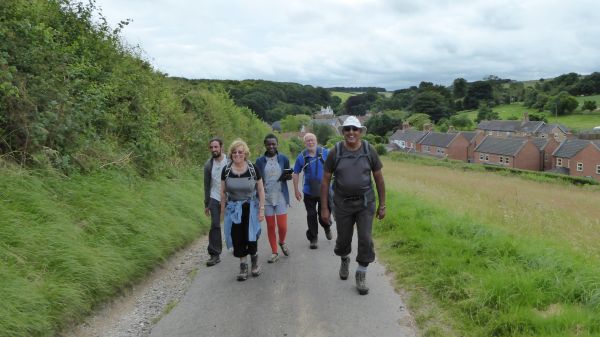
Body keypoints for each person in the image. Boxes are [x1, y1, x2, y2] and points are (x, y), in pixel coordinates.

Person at [320, 116, 386, 295]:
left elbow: (379, 178)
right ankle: (344, 259)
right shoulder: (336, 152)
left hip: (365, 202)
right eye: (347, 129)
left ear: (360, 131)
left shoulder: (368, 150)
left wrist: (382, 204)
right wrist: (324, 208)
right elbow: (325, 181)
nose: (351, 132)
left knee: (365, 238)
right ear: (343, 132)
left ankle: (361, 273)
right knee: (343, 240)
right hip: (342, 204)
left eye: (354, 129)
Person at [220, 139, 266, 281]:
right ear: (231, 154)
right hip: (234, 209)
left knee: (251, 236)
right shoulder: (226, 170)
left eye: (240, 152)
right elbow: (222, 192)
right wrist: (223, 211)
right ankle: (243, 266)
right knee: (237, 237)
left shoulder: (253, 168)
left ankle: (254, 263)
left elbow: (260, 189)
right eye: (234, 152)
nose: (237, 154)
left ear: (245, 153)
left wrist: (262, 209)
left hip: (250, 207)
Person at [255, 134, 292, 263]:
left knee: (282, 226)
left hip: (280, 196)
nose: (271, 146)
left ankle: (281, 242)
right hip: (267, 198)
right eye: (268, 144)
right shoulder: (259, 161)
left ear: (277, 144)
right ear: (265, 145)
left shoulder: (283, 158)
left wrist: (288, 176)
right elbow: (257, 179)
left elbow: (287, 175)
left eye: (273, 144)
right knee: (270, 226)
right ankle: (274, 252)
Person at [292, 133, 332, 250]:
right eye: (308, 141)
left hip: (324, 191)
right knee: (311, 215)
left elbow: (335, 167)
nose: (310, 142)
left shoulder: (326, 153)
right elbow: (295, 173)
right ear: (304, 143)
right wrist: (296, 190)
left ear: (316, 140)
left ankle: (326, 226)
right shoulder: (301, 156)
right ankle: (313, 239)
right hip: (309, 191)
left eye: (312, 140)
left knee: (322, 215)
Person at [203, 137, 227, 267]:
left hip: (229, 198)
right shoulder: (208, 165)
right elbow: (207, 185)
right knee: (215, 225)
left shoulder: (229, 161)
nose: (214, 149)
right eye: (211, 147)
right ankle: (214, 254)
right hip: (214, 197)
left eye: (216, 147)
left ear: (221, 147)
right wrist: (206, 204)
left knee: (235, 223)